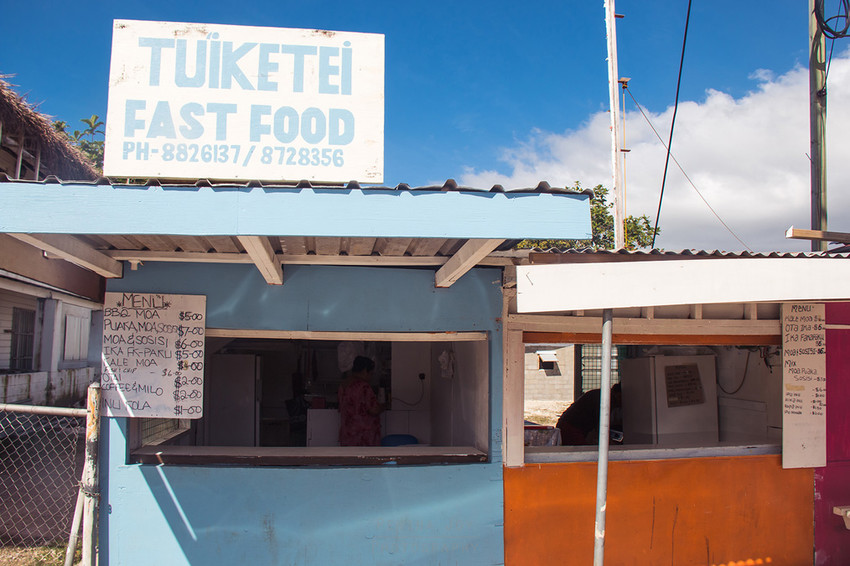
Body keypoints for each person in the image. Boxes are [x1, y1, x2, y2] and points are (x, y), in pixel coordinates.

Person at [338, 356, 385, 446]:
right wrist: (383, 406)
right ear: (364, 371)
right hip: (362, 436)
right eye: (370, 374)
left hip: (347, 433)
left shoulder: (343, 385)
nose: (370, 377)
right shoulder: (363, 387)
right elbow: (374, 410)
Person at [556, 383, 622, 445]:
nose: (620, 402)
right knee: (581, 453)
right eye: (620, 398)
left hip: (569, 426)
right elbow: (601, 426)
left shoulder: (601, 395)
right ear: (617, 394)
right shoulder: (604, 398)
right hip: (571, 427)